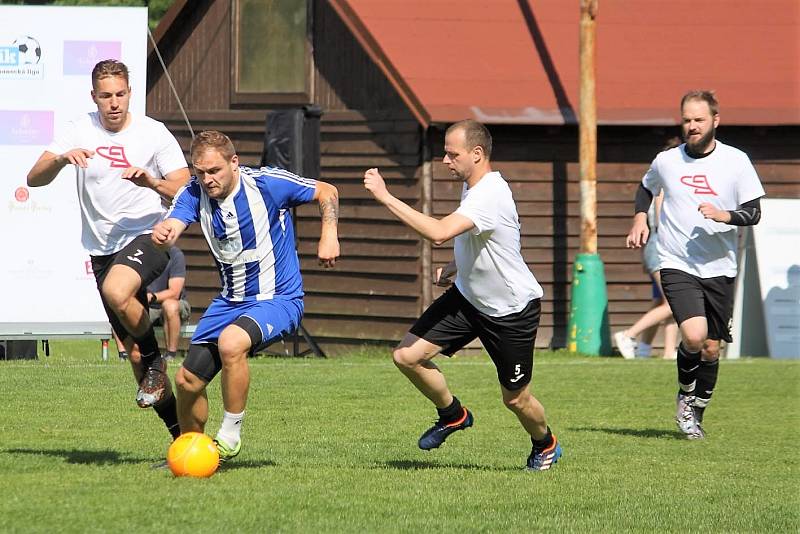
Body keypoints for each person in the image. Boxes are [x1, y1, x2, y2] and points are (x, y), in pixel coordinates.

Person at [363, 119, 561, 471]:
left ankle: (545, 443)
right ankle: (453, 415)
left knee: (515, 399)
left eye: (451, 154)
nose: (444, 160)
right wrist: (457, 266)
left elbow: (439, 232)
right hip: (469, 299)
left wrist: (385, 196)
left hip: (510, 311)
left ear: (477, 154)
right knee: (407, 356)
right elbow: (485, 237)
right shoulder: (474, 186)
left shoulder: (489, 193)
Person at [26, 59, 190, 441]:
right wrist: (63, 160)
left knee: (117, 292)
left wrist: (151, 181)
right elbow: (34, 179)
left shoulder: (153, 133)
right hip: (102, 250)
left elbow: (184, 188)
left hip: (151, 235)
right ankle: (182, 439)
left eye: (120, 94)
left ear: (130, 93)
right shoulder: (78, 130)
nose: (113, 103)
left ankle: (156, 361)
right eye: (105, 96)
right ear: (94, 97)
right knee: (132, 357)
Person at [151, 130, 339, 461]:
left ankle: (230, 434)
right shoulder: (192, 193)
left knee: (231, 343)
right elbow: (175, 224)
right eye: (200, 172)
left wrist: (329, 235)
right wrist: (166, 233)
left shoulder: (267, 184)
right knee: (187, 381)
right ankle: (192, 453)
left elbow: (327, 191)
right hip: (229, 301)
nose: (207, 180)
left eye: (214, 171)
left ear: (234, 163)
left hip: (278, 298)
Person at [625, 90, 765, 439]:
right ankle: (686, 395)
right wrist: (640, 218)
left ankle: (696, 410)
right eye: (686, 119)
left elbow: (754, 212)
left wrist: (725, 215)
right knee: (694, 335)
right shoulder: (667, 161)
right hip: (676, 260)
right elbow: (645, 189)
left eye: (699, 120)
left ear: (715, 120)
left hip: (720, 266)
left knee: (711, 348)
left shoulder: (736, 161)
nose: (692, 126)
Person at [615, 190, 679, 359]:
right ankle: (628, 335)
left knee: (663, 302)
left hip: (656, 247)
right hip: (662, 246)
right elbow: (661, 222)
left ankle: (657, 350)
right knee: (673, 303)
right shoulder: (663, 186)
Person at [146, 245, 192, 361]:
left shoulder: (175, 254)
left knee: (169, 305)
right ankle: (125, 356)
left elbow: (174, 293)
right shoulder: (140, 254)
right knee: (121, 307)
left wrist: (152, 297)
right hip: (148, 307)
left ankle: (170, 354)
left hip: (176, 304)